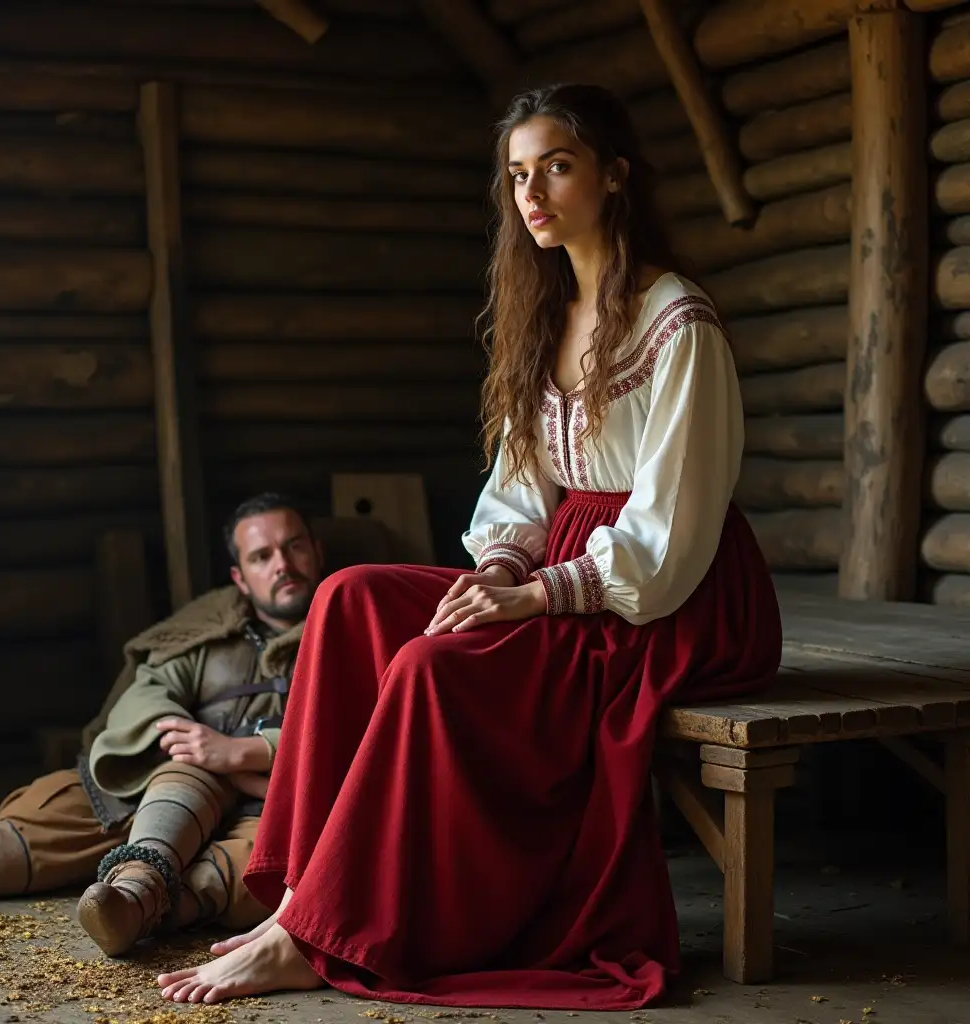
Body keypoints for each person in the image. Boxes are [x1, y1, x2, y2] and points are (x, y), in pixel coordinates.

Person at [156, 83, 783, 1010]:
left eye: (557, 168)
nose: (532, 193)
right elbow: (522, 493)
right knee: (350, 597)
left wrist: (532, 595)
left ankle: (315, 934)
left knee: (428, 666)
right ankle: (301, 895)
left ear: (613, 178)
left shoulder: (676, 320)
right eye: (518, 175)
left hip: (671, 594)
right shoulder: (545, 313)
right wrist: (497, 569)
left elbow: (672, 528)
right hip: (565, 563)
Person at [0, 492, 324, 958]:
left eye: (294, 546)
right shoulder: (205, 636)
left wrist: (247, 752)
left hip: (275, 799)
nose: (281, 564)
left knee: (261, 867)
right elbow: (148, 693)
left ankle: (136, 903)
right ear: (240, 578)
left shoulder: (345, 636)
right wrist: (188, 741)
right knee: (65, 812)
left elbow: (365, 725)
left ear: (317, 551)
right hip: (176, 781)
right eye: (262, 556)